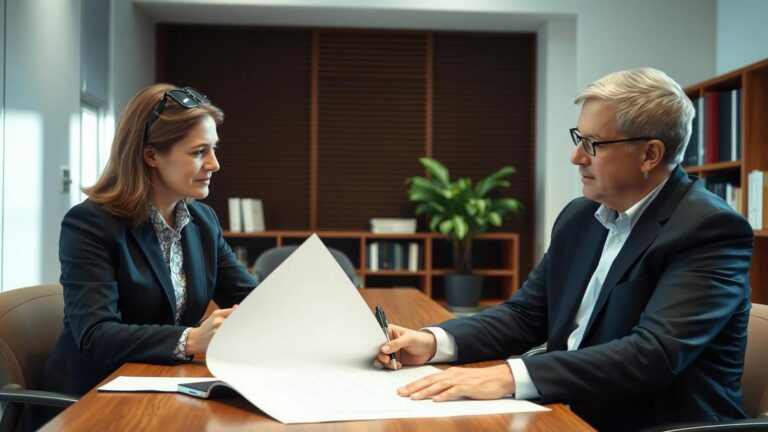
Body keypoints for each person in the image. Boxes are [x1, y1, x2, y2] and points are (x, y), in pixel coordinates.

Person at [378, 68, 753, 431]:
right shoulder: (582, 216)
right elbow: (526, 315)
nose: (576, 157)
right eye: (579, 138)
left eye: (593, 144)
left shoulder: (709, 230)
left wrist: (509, 375)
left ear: (650, 155)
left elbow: (652, 355)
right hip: (565, 407)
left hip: (646, 422)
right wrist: (433, 342)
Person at [44, 84, 257, 398]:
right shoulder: (90, 224)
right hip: (94, 397)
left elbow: (252, 299)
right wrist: (193, 340)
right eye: (200, 151)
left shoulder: (202, 221)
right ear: (151, 155)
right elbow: (96, 335)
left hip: (164, 386)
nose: (214, 163)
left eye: (214, 149)